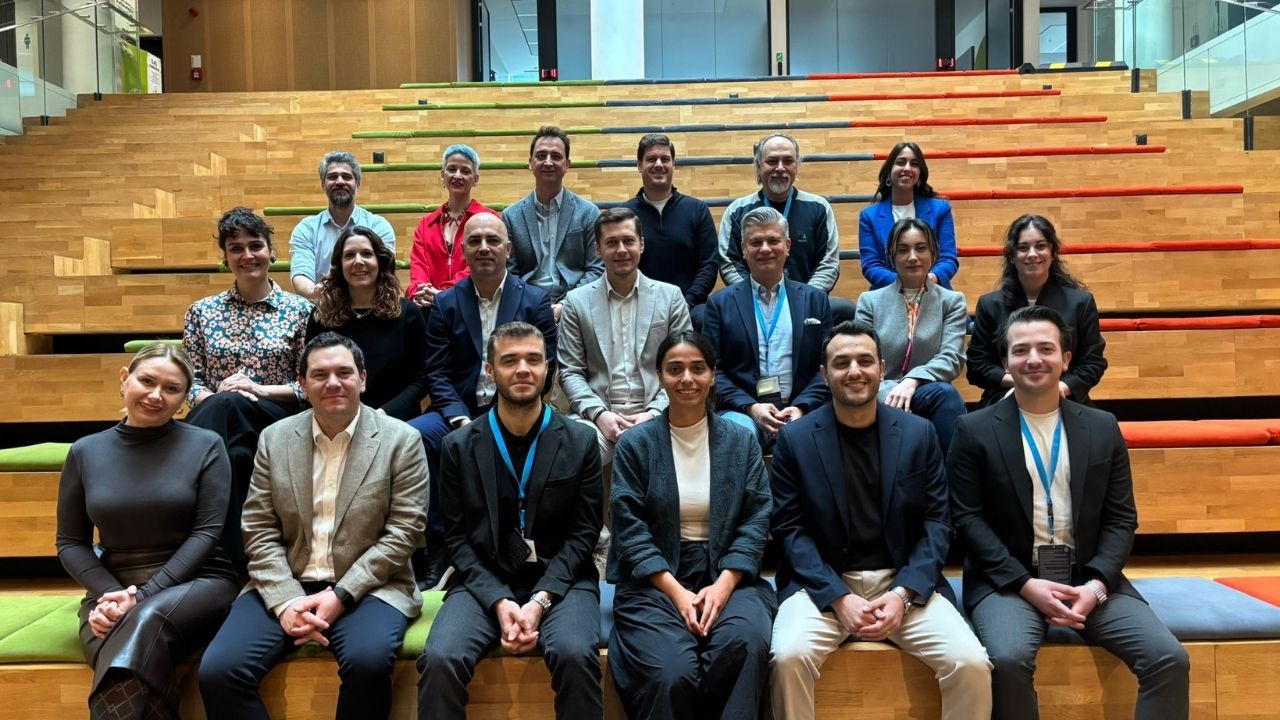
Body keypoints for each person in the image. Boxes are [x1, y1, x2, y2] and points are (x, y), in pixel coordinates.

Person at [948, 305, 1189, 719]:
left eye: (1046, 349)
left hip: (1088, 578)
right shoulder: (973, 429)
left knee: (1169, 659)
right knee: (1007, 660)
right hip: (1008, 582)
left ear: (1066, 358)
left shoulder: (1102, 426)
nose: (1034, 359)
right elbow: (966, 519)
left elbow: (1121, 519)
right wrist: (1025, 584)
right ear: (1005, 361)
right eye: (1021, 350)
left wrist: (1096, 586)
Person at [198, 332, 428, 720]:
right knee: (219, 672)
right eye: (319, 375)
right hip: (286, 579)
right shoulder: (275, 438)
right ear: (302, 385)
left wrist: (340, 595)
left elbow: (404, 532)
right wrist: (286, 600)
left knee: (368, 663)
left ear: (363, 379)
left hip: (370, 587)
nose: (333, 383)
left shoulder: (401, 440)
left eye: (344, 373)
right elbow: (258, 528)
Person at [769, 320, 992, 720]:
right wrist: (837, 597)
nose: (854, 371)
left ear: (882, 368)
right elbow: (789, 530)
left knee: (971, 663)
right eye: (841, 363)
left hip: (903, 582)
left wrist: (902, 594)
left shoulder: (920, 433)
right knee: (788, 657)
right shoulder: (795, 439)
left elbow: (938, 524)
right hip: (822, 585)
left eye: (864, 360)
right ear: (824, 374)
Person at [418, 321, 604, 720]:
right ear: (490, 370)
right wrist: (499, 600)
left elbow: (584, 534)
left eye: (533, 359)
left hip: (562, 579)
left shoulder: (581, 440)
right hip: (483, 578)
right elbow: (456, 539)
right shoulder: (457, 446)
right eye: (509, 360)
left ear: (548, 368)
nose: (523, 369)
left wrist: (540, 600)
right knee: (441, 657)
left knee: (575, 654)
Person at [56, 343, 240, 720]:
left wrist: (140, 598)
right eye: (147, 381)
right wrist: (109, 595)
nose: (156, 395)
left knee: (142, 624)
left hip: (197, 582)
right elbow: (71, 542)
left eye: (171, 389)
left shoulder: (206, 445)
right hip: (112, 588)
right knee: (131, 663)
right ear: (124, 379)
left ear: (184, 399)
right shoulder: (85, 451)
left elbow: (206, 535)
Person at [606, 331, 776, 720]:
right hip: (654, 579)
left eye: (698, 368)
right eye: (675, 369)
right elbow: (629, 529)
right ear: (660, 377)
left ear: (713, 375)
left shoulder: (741, 441)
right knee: (671, 672)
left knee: (745, 643)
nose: (687, 378)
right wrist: (678, 594)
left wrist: (724, 584)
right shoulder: (635, 444)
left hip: (729, 573)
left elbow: (756, 518)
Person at [407, 212, 558, 590]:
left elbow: (547, 365)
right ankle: (440, 543)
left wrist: (498, 417)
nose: (484, 248)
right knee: (416, 436)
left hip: (514, 411)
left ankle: (523, 543)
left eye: (493, 240)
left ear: (508, 249)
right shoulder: (446, 303)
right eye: (475, 241)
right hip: (458, 410)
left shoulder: (534, 300)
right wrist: (460, 418)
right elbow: (436, 372)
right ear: (463, 249)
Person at [183, 207, 312, 568]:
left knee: (231, 404)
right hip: (220, 422)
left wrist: (258, 391)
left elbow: (308, 386)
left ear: (272, 251)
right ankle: (234, 561)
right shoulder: (201, 312)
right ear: (225, 257)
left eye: (255, 245)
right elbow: (190, 381)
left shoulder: (301, 311)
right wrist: (214, 398)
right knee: (236, 456)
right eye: (235, 248)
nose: (247, 255)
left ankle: (171, 519)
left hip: (277, 419)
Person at [558, 206, 693, 465]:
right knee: (574, 452)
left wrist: (653, 413)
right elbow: (570, 371)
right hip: (598, 418)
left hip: (660, 413)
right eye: (611, 242)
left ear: (641, 244)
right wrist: (600, 415)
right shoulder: (576, 302)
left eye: (628, 241)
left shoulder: (670, 297)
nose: (621, 250)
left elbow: (683, 367)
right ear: (598, 249)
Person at [703, 206, 831, 449]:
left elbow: (826, 367)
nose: (765, 249)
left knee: (820, 436)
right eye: (756, 242)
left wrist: (801, 407)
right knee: (738, 437)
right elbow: (712, 371)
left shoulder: (815, 300)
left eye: (773, 241)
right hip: (742, 411)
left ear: (787, 245)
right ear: (743, 249)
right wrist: (751, 407)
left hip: (803, 408)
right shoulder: (720, 304)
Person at [967, 214, 1107, 407]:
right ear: (1012, 256)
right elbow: (977, 366)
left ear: (1052, 252)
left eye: (1040, 246)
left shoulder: (1081, 302)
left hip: (1064, 396)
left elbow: (1092, 363)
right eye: (1023, 248)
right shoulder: (989, 305)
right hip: (1005, 396)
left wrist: (1059, 387)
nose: (1032, 254)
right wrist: (1023, 382)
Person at [854, 217, 967, 455]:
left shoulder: (952, 301)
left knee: (947, 395)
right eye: (903, 250)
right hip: (882, 392)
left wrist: (912, 380)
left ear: (933, 253)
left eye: (921, 248)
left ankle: (952, 477)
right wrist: (889, 390)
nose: (912, 257)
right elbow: (863, 358)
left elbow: (952, 358)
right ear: (892, 256)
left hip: (929, 392)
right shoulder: (869, 302)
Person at [717, 133, 851, 323]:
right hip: (752, 304)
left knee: (846, 310)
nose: (780, 168)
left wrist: (804, 298)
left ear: (797, 165)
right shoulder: (737, 210)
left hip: (806, 304)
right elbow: (729, 261)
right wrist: (756, 297)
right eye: (772, 161)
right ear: (758, 166)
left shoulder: (819, 208)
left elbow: (828, 263)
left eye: (788, 161)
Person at [305, 225, 428, 421]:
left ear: (379, 261)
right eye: (349, 255)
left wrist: (381, 414)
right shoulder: (322, 314)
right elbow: (311, 374)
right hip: (336, 418)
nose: (358, 261)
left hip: (394, 420)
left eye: (366, 254)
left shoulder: (407, 313)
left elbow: (421, 378)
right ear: (339, 265)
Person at [502, 125, 603, 319]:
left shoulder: (588, 212)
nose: (548, 162)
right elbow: (510, 272)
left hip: (577, 305)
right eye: (541, 156)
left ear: (567, 164)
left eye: (556, 156)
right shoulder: (511, 216)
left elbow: (596, 268)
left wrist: (568, 304)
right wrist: (532, 305)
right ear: (530, 162)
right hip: (526, 307)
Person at [620, 133, 719, 329]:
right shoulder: (624, 215)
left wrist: (686, 303)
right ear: (639, 165)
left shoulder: (697, 210)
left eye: (665, 159)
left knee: (708, 318)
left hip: (689, 306)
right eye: (651, 159)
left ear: (674, 165)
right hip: (636, 305)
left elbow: (708, 265)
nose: (659, 164)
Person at [290, 150, 397, 300]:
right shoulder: (306, 229)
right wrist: (314, 292)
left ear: (357, 184)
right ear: (323, 184)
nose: (340, 181)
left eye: (346, 177)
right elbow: (301, 273)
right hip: (322, 306)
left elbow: (385, 273)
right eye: (332, 176)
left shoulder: (378, 226)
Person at [858, 142, 959, 290]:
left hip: (933, 290)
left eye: (914, 164)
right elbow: (871, 266)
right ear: (889, 172)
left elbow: (948, 259)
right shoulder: (869, 216)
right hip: (888, 293)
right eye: (900, 162)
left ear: (920, 173)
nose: (907, 168)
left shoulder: (940, 209)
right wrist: (907, 283)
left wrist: (929, 280)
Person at [408, 144, 496, 310]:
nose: (457, 175)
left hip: (475, 304)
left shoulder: (489, 219)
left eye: (465, 171)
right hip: (430, 307)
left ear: (475, 179)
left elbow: (479, 267)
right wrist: (420, 292)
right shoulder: (426, 224)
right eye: (452, 169)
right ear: (443, 175)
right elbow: (418, 266)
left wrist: (444, 294)